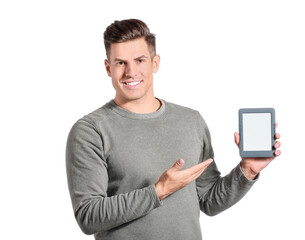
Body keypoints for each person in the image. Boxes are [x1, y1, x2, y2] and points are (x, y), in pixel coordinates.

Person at [66, 19, 281, 240]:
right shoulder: (90, 130)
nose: (131, 72)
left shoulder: (191, 121)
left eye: (140, 60)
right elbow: (88, 216)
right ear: (108, 68)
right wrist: (159, 191)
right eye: (120, 63)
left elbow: (208, 201)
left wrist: (248, 171)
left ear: (155, 62)